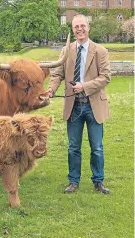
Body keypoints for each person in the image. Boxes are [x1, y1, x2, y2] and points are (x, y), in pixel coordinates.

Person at [48, 14, 111, 194]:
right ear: (72, 29)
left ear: (88, 27)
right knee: (73, 147)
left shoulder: (100, 51)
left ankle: (98, 181)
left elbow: (106, 77)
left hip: (94, 106)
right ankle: (73, 181)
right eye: (76, 27)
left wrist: (85, 86)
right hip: (73, 106)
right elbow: (57, 75)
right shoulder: (66, 50)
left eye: (82, 25)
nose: (79, 29)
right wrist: (51, 89)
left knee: (97, 147)